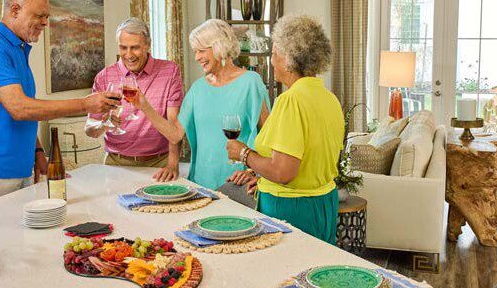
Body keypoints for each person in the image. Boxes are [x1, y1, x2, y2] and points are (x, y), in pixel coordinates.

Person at [0, 0, 119, 208]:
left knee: (18, 241)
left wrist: (38, 151)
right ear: (15, 10)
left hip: (19, 166)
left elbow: (26, 107)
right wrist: (85, 104)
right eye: (39, 16)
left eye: (47, 16)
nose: (45, 23)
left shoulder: (17, 48)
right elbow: (20, 109)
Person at [226, 14, 344, 244]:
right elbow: (310, 157)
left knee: (286, 276)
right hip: (324, 204)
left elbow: (283, 173)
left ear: (289, 59)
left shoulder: (291, 101)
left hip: (293, 210)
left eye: (274, 53)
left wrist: (244, 154)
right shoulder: (329, 99)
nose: (271, 60)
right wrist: (260, 175)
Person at [130, 19, 270, 190]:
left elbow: (268, 136)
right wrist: (145, 106)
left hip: (238, 183)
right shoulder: (198, 88)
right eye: (195, 51)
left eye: (201, 51)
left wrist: (253, 171)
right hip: (201, 183)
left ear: (220, 46)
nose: (197, 58)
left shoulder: (250, 82)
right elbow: (175, 135)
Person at [85, 18, 183, 181]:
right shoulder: (104, 77)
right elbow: (89, 129)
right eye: (123, 48)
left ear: (148, 44)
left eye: (135, 48)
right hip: (116, 163)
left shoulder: (170, 71)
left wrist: (172, 164)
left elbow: (174, 125)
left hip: (159, 163)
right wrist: (104, 124)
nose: (129, 55)